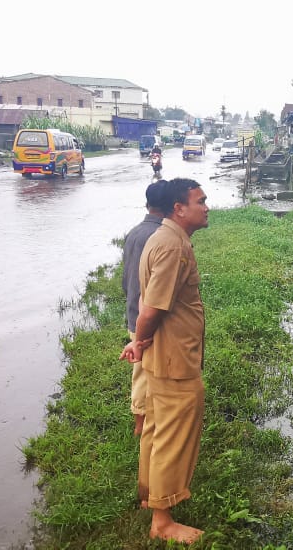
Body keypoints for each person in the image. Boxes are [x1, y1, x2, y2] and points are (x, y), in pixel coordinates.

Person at [120, 177, 210, 543]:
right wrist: (140, 340)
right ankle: (162, 520)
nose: (206, 207)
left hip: (164, 356)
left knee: (155, 430)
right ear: (179, 208)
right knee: (174, 437)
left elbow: (145, 303)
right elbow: (152, 307)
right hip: (175, 361)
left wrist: (141, 343)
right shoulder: (172, 245)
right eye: (200, 201)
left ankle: (148, 494)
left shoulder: (164, 238)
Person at [121, 181, 168, 439]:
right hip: (148, 315)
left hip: (134, 310)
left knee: (142, 369)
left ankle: (144, 420)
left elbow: (125, 276)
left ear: (147, 204)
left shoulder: (134, 232)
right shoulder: (162, 236)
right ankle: (141, 424)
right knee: (144, 370)